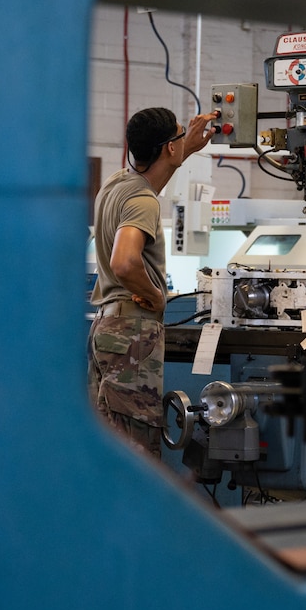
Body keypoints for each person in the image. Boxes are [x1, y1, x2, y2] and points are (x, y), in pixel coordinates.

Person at [87, 106, 218, 456]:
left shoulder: (116, 184)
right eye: (178, 136)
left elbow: (151, 181)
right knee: (136, 448)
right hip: (132, 332)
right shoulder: (143, 200)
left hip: (106, 327)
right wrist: (156, 297)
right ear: (167, 148)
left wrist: (185, 147)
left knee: (109, 445)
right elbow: (126, 262)